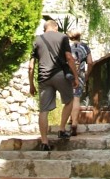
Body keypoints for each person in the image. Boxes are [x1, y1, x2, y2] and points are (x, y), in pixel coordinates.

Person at [28, 19, 79, 151]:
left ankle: (44, 142)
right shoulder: (62, 37)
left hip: (43, 78)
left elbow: (31, 66)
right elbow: (69, 57)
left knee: (43, 110)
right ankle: (61, 129)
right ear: (55, 27)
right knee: (69, 101)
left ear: (45, 28)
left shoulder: (37, 40)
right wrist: (76, 76)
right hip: (60, 75)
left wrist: (31, 85)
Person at [69, 30, 93, 136]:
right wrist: (87, 74)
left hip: (68, 75)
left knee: (69, 99)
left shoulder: (66, 47)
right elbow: (90, 62)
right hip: (80, 75)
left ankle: (70, 119)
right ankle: (74, 122)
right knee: (76, 98)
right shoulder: (84, 47)